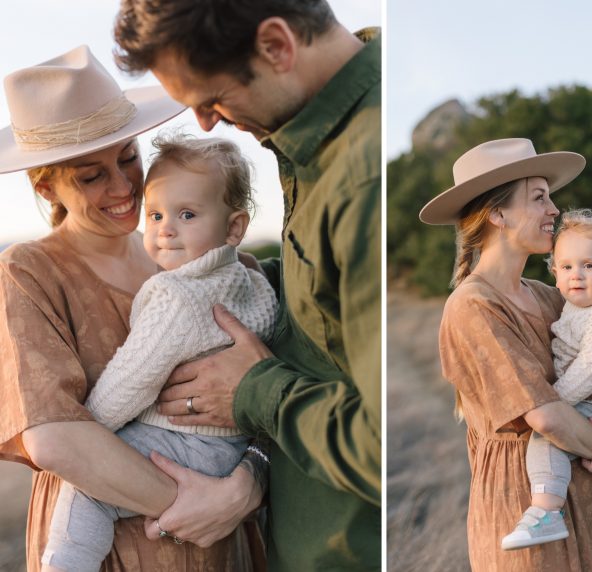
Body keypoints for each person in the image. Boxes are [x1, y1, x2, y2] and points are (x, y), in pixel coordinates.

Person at [112, 1, 381, 569]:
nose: (206, 122)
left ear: (277, 47)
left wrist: (255, 390)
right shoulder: (311, 141)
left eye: (212, 99)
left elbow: (383, 446)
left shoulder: (363, 176)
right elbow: (326, 316)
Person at [0, 46, 264, 572]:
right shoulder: (27, 272)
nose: (124, 188)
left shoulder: (196, 258)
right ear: (46, 184)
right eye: (91, 175)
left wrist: (246, 489)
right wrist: (197, 506)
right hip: (107, 549)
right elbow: (54, 438)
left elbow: (262, 400)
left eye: (127, 158)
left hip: (221, 540)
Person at [41, 132, 277, 572]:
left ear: (234, 228)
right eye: (156, 214)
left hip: (183, 442)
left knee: (88, 491)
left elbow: (130, 380)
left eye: (187, 214)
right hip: (234, 451)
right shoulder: (254, 282)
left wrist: (95, 430)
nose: (165, 228)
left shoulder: (176, 294)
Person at [419, 138, 592, 571]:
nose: (554, 210)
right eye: (539, 197)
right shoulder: (473, 306)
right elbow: (544, 416)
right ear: (498, 214)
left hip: (579, 499)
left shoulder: (549, 296)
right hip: (521, 508)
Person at [502, 208, 592, 551]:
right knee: (549, 437)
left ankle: (547, 512)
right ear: (554, 273)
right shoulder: (575, 305)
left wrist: (554, 401)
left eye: (588, 266)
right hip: (588, 401)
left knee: (546, 438)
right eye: (566, 267)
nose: (576, 275)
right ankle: (547, 508)